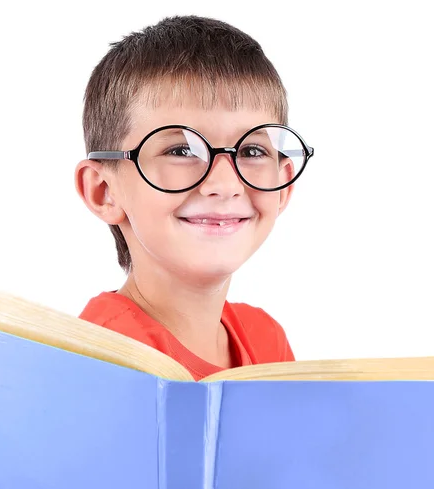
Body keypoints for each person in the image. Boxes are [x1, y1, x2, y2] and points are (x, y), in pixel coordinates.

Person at [74, 15, 314, 380]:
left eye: (251, 151)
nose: (225, 183)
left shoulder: (267, 341)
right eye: (182, 151)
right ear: (103, 191)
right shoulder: (101, 353)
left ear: (283, 187)